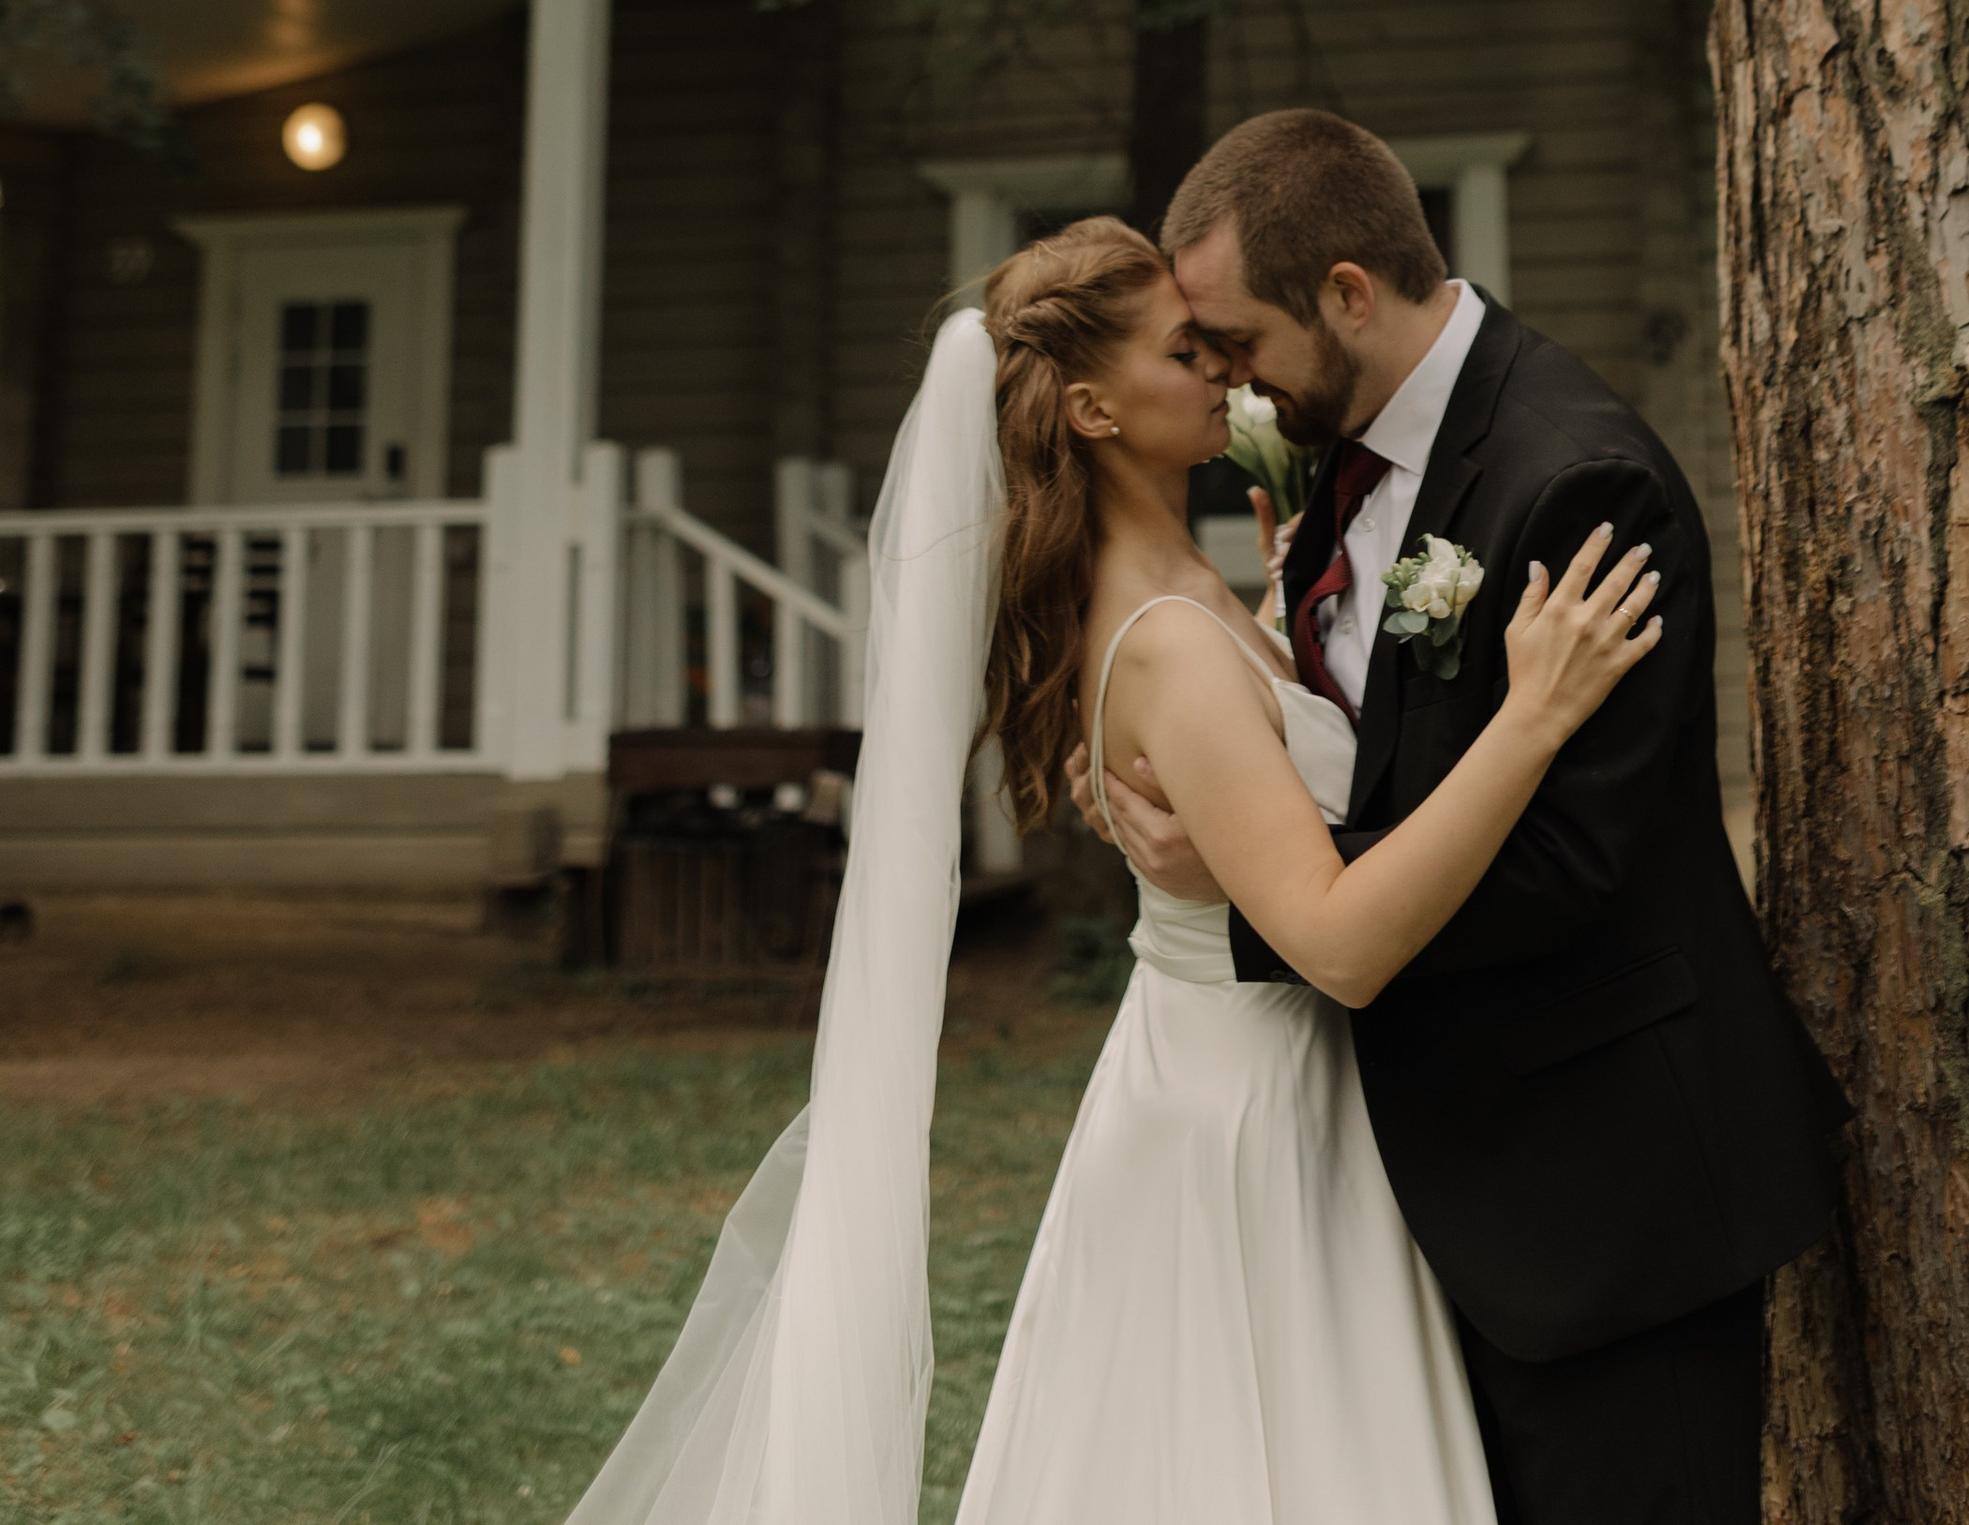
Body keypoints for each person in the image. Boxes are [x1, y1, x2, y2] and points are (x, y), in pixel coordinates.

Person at [559, 217, 1659, 1525]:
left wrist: (1291, 602)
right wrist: (1533, 717)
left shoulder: (1187, 592)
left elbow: (1264, 765)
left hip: (1227, 1073)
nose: (1226, 378)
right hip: (1250, 1118)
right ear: (1089, 406)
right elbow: (1341, 941)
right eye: (1186, 353)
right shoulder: (1166, 646)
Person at [1082, 110, 1846, 1525]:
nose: (1231, 382)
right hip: (1434, 1194)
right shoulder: (1341, 467)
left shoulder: (1578, 481)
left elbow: (1566, 869)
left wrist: (1270, 902)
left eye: (1239, 341)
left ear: (1350, 295)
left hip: (1605, 1198)